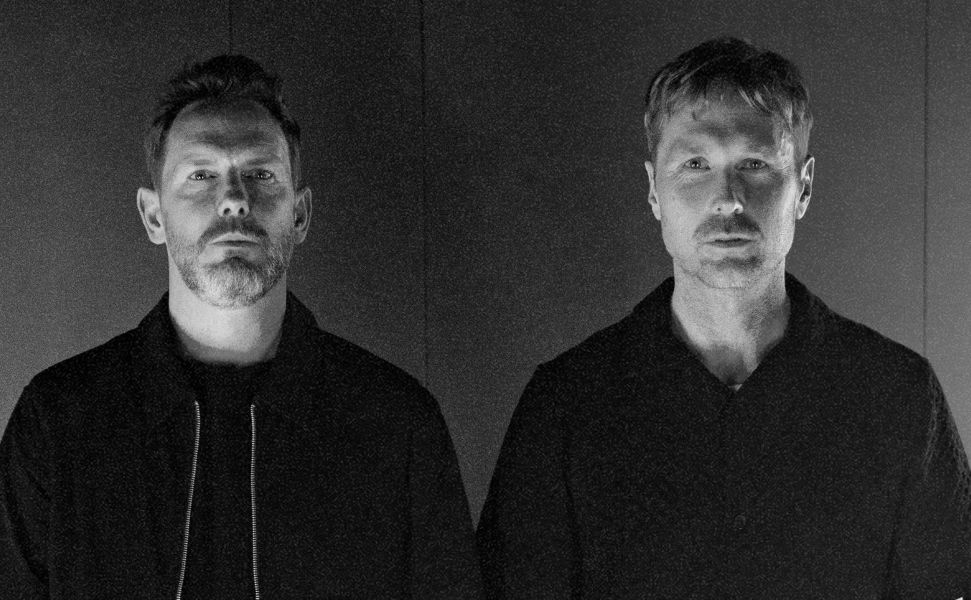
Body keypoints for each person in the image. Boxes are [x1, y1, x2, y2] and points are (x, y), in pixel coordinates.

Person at [477, 37, 971, 598]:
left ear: (803, 187)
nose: (728, 199)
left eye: (754, 164)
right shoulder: (566, 406)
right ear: (654, 191)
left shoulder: (897, 396)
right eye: (695, 164)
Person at [0, 55, 482, 599]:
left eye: (260, 174)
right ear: (154, 216)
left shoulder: (396, 424)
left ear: (299, 215)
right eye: (201, 175)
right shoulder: (60, 422)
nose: (233, 199)